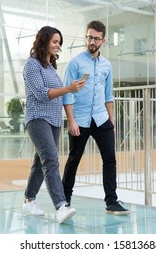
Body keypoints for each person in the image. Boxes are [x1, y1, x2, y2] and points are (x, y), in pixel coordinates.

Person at [62, 20, 130, 215]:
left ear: (103, 40)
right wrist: (71, 121)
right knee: (74, 160)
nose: (92, 41)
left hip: (101, 119)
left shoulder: (107, 65)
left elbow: (109, 94)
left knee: (110, 159)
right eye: (89, 37)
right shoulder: (75, 63)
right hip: (80, 119)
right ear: (86, 37)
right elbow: (68, 94)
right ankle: (64, 201)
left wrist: (112, 120)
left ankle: (112, 201)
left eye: (96, 39)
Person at [22, 26, 86, 224]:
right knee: (50, 160)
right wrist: (67, 88)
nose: (58, 46)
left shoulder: (51, 68)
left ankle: (28, 200)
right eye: (55, 41)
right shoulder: (32, 65)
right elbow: (41, 93)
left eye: (59, 42)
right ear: (44, 41)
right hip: (37, 118)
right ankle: (60, 206)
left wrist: (72, 89)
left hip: (54, 120)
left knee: (40, 163)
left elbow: (58, 93)